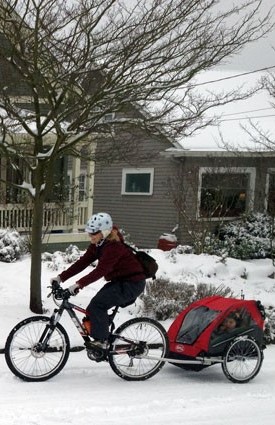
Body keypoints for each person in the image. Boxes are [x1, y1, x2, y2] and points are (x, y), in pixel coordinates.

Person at [51, 212, 146, 349]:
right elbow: (83, 262)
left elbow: (101, 270)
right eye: (89, 233)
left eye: (93, 233)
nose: (90, 236)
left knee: (97, 306)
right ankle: (103, 334)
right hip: (120, 281)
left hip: (132, 284)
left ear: (104, 232)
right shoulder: (99, 244)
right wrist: (61, 277)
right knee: (93, 308)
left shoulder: (114, 247)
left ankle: (102, 342)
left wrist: (79, 284)